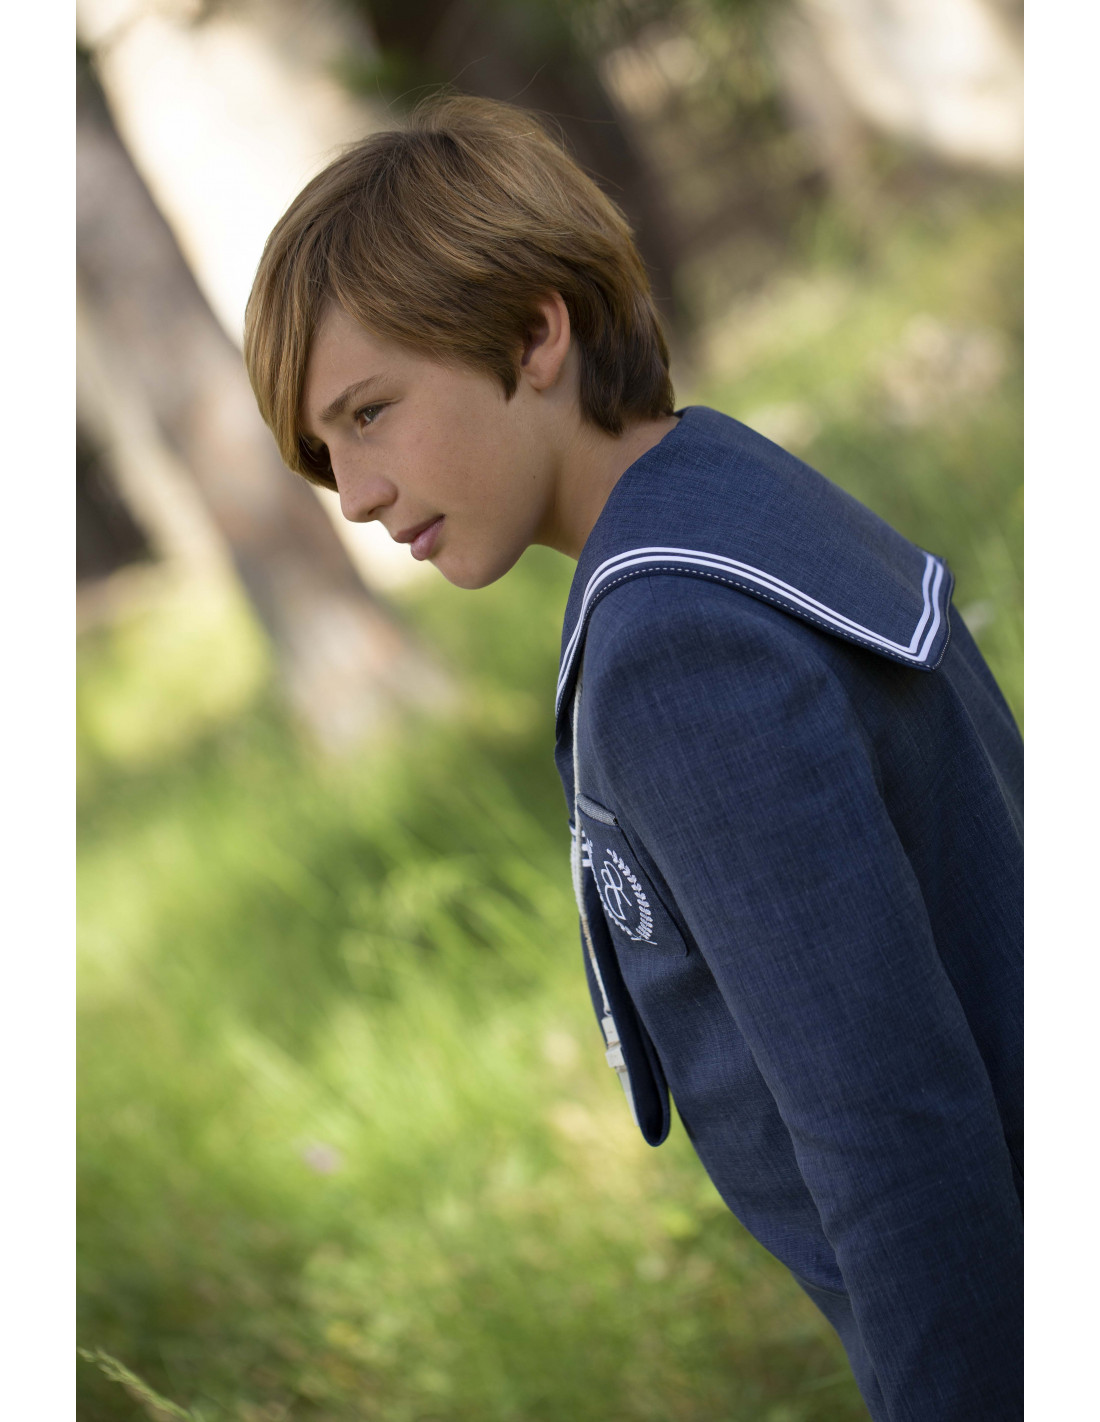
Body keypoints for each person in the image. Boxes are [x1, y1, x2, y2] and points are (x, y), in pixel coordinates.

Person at [243, 95, 1023, 1422]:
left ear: (533, 332)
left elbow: (892, 1133)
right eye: (326, 452)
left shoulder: (675, 647)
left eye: (370, 412)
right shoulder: (728, 492)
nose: (356, 494)